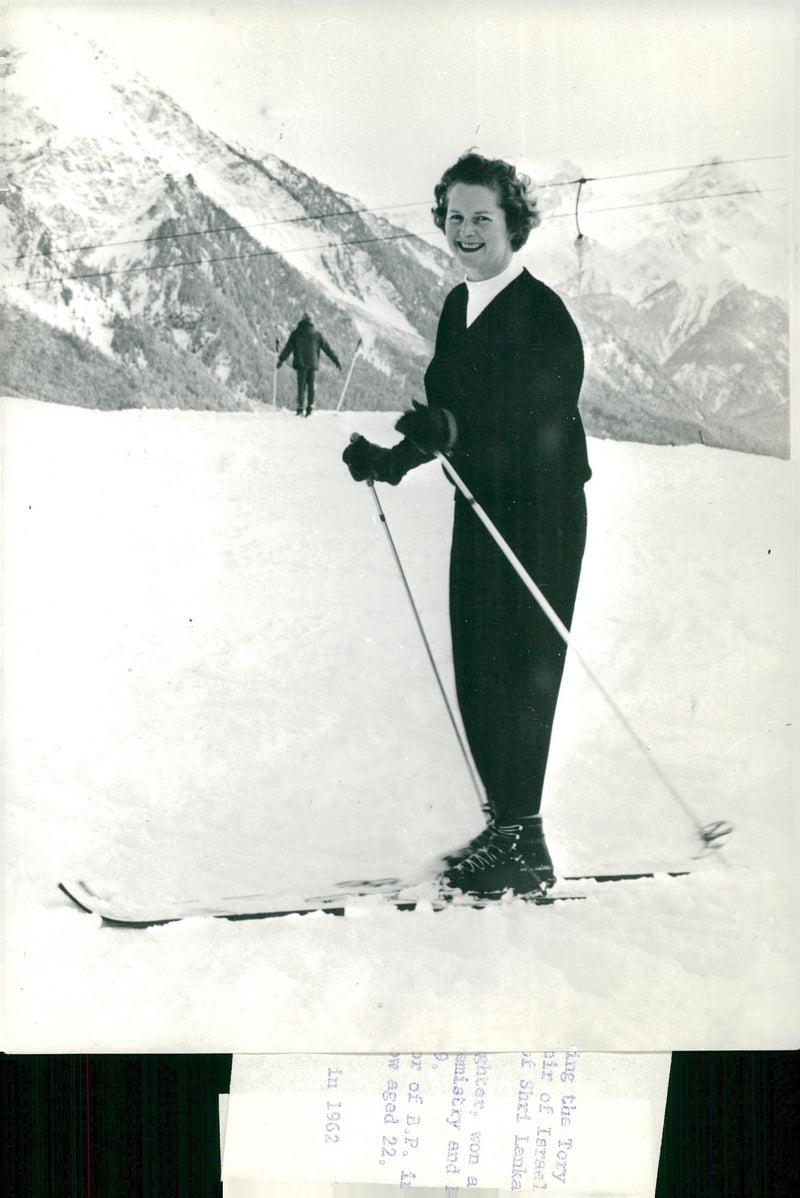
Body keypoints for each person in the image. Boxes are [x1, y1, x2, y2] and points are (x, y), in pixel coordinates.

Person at [342, 152, 592, 899]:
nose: (467, 230)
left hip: (540, 514)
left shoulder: (541, 312)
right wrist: (391, 460)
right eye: (455, 217)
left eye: (483, 217)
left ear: (513, 223)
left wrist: (457, 427)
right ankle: (508, 828)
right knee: (480, 670)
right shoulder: (458, 307)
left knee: (522, 673)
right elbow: (448, 413)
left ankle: (527, 841)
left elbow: (542, 409)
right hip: (479, 507)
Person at [277, 312, 341, 415]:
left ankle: (300, 408)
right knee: (311, 386)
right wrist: (335, 359)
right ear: (312, 321)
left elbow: (288, 349)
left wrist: (281, 360)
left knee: (301, 387)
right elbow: (327, 348)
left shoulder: (296, 333)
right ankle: (310, 408)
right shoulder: (317, 334)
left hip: (300, 363)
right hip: (312, 364)